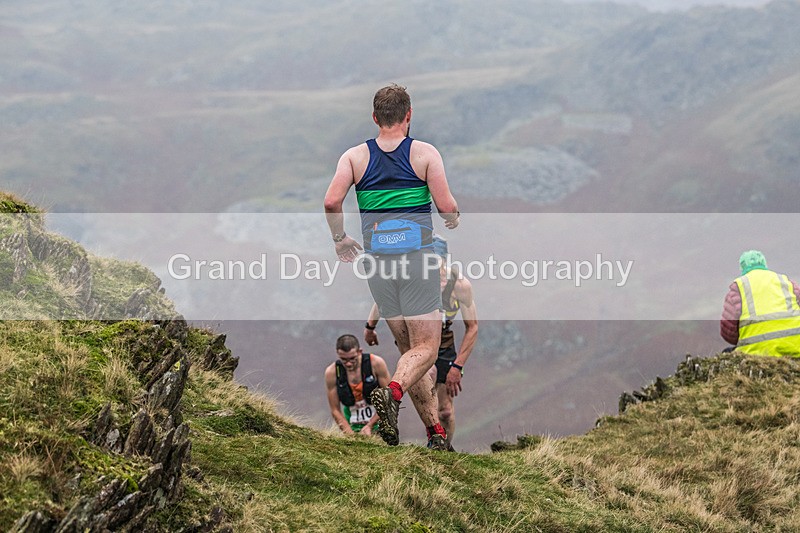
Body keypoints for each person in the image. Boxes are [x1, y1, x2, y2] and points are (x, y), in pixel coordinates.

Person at [324, 84, 460, 450]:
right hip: (416, 260)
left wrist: (340, 240)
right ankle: (394, 395)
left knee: (408, 356)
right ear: (409, 115)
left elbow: (331, 201)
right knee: (426, 350)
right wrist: (453, 218)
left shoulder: (354, 158)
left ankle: (435, 435)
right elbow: (446, 206)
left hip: (379, 265)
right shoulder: (424, 154)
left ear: (374, 118)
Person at [365, 236, 478, 450]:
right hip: (416, 343)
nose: (434, 269)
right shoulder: (414, 278)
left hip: (444, 346)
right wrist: (370, 326)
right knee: (426, 383)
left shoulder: (460, 285)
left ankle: (443, 446)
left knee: (445, 410)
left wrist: (458, 366)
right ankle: (432, 435)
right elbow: (383, 299)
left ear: (444, 260)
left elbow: (472, 327)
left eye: (437, 263)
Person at [720, 250, 800, 357]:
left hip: (756, 352)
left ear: (742, 267)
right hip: (795, 348)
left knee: (727, 353)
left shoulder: (739, 288)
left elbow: (728, 333)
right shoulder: (787, 283)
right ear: (764, 264)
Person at [324, 335, 391, 435]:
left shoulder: (376, 363)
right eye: (343, 359)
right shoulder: (332, 372)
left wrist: (370, 425)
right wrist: (350, 435)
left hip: (380, 422)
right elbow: (335, 409)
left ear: (360, 351)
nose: (348, 364)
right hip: (352, 426)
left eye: (352, 358)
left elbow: (389, 399)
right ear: (337, 354)